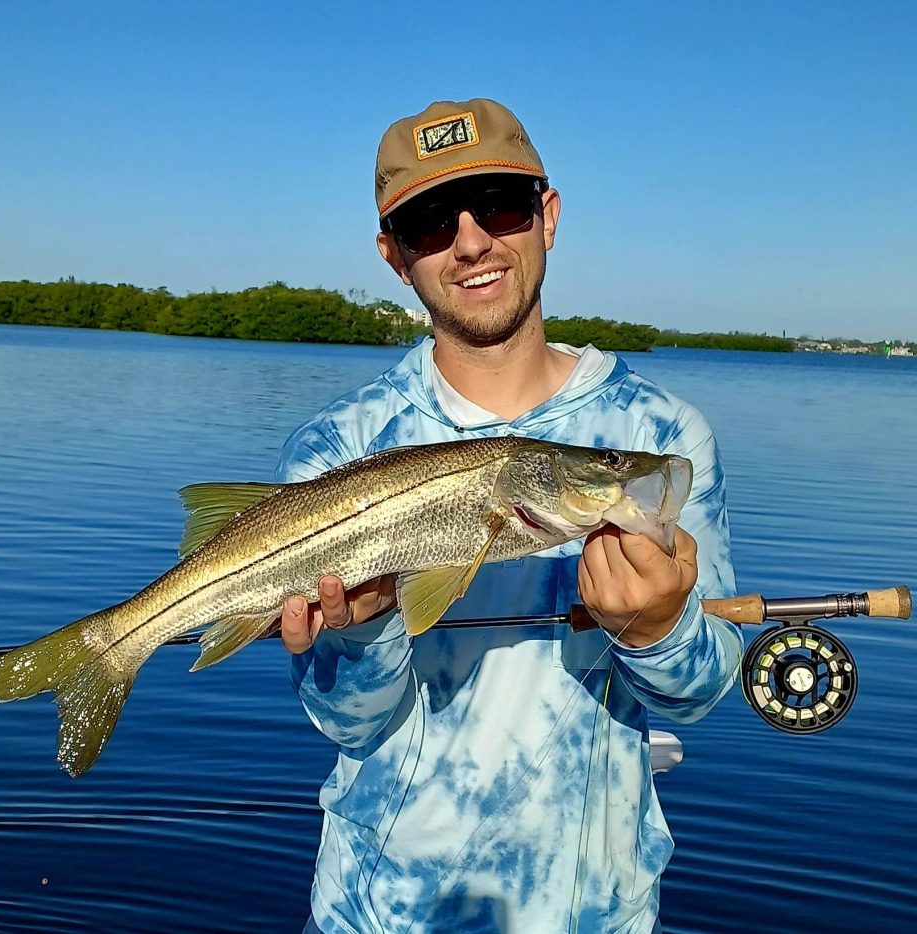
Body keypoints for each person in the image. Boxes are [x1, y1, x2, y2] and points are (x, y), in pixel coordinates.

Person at [276, 98, 743, 933]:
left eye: (498, 204)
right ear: (394, 256)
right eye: (426, 222)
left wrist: (659, 627)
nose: (470, 242)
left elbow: (698, 697)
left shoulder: (659, 437)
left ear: (547, 215)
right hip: (375, 913)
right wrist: (367, 629)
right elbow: (349, 723)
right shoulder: (336, 451)